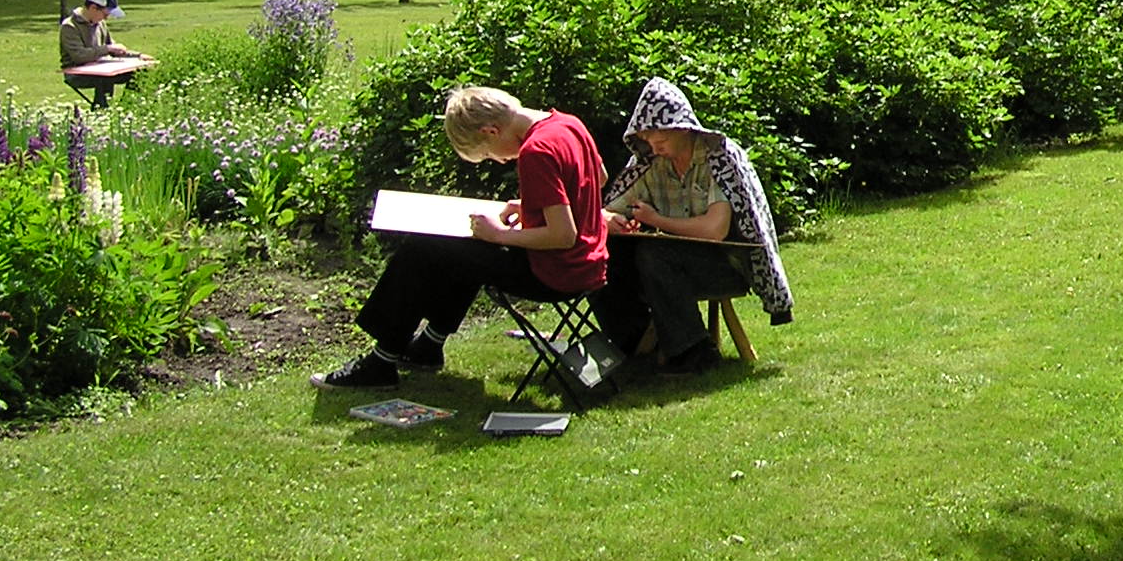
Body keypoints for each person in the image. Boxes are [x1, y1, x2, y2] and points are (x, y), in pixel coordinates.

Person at [313, 86, 612, 389]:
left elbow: (563, 235)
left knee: (422, 248)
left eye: (486, 153)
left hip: (557, 274)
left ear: (491, 131)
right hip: (588, 264)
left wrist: (499, 235)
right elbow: (596, 178)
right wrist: (533, 204)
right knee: (461, 249)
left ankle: (381, 361)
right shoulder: (567, 123)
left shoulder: (535, 151)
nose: (497, 160)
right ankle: (428, 346)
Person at [601, 78, 794, 375]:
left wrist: (657, 221)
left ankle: (694, 351)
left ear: (681, 128)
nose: (655, 148)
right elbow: (611, 208)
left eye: (660, 142)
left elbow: (715, 230)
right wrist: (611, 220)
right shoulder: (650, 163)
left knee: (655, 254)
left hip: (726, 267)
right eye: (649, 143)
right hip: (670, 268)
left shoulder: (720, 158)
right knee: (604, 252)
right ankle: (632, 339)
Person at [58, 0, 151, 107]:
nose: (106, 18)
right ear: (93, 8)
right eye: (105, 14)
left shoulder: (100, 23)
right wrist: (107, 49)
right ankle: (101, 110)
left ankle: (127, 108)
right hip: (77, 73)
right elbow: (79, 56)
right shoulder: (69, 27)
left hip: (101, 67)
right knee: (105, 77)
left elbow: (113, 49)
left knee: (139, 74)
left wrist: (138, 56)